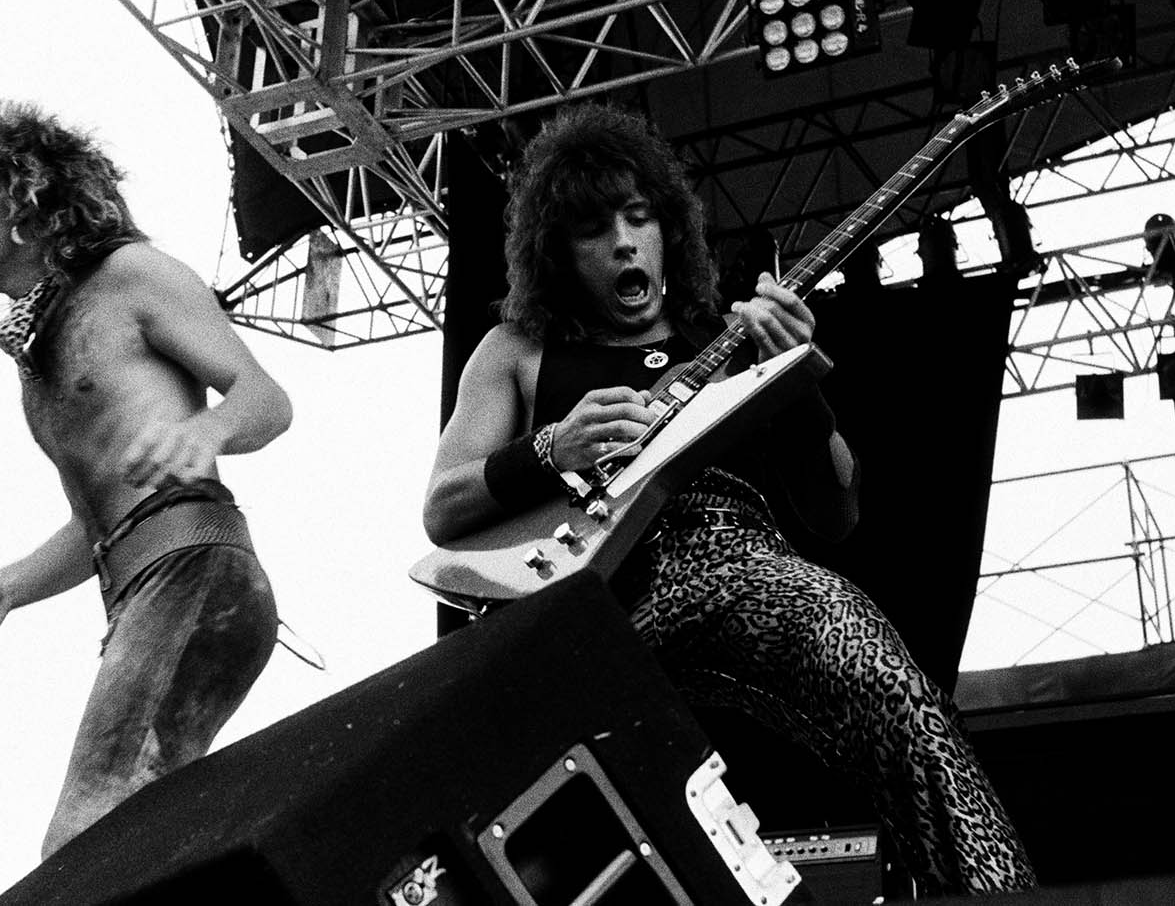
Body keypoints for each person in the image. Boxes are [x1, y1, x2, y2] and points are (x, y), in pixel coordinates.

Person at [423, 102, 1036, 896]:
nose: (622, 241)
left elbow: (837, 514)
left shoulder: (728, 335)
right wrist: (551, 447)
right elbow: (442, 505)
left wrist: (798, 382)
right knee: (524, 811)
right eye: (592, 230)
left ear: (668, 229)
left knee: (880, 673)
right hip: (588, 610)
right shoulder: (516, 351)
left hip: (737, 558)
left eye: (639, 217)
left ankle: (997, 891)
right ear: (557, 255)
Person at [0, 100, 290, 859]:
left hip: (195, 569)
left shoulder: (132, 275)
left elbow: (266, 399)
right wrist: (14, 585)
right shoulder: (36, 353)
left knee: (83, 835)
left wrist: (207, 430)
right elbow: (98, 523)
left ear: (22, 197)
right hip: (142, 590)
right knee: (141, 839)